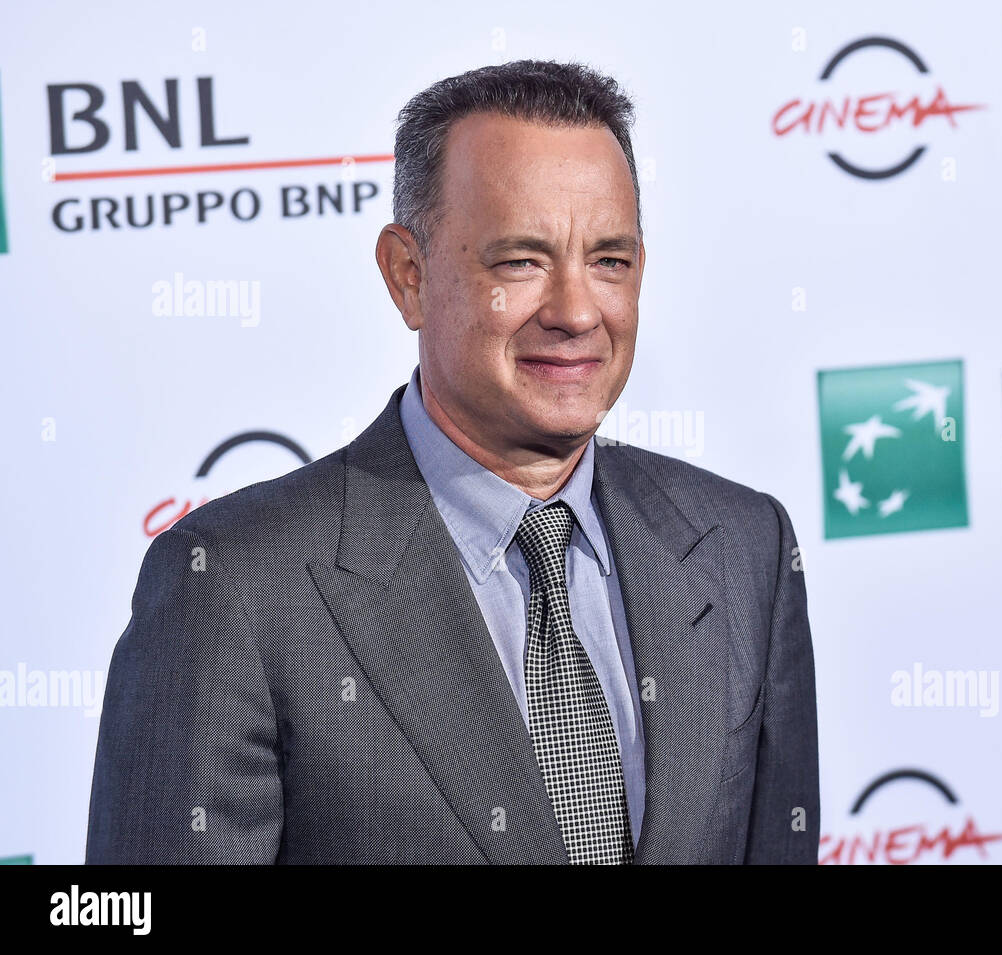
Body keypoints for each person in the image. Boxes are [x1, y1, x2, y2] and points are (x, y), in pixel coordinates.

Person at [86, 59, 819, 864]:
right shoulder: (233, 586)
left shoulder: (743, 545)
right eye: (520, 261)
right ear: (409, 277)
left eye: (609, 260)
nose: (577, 312)